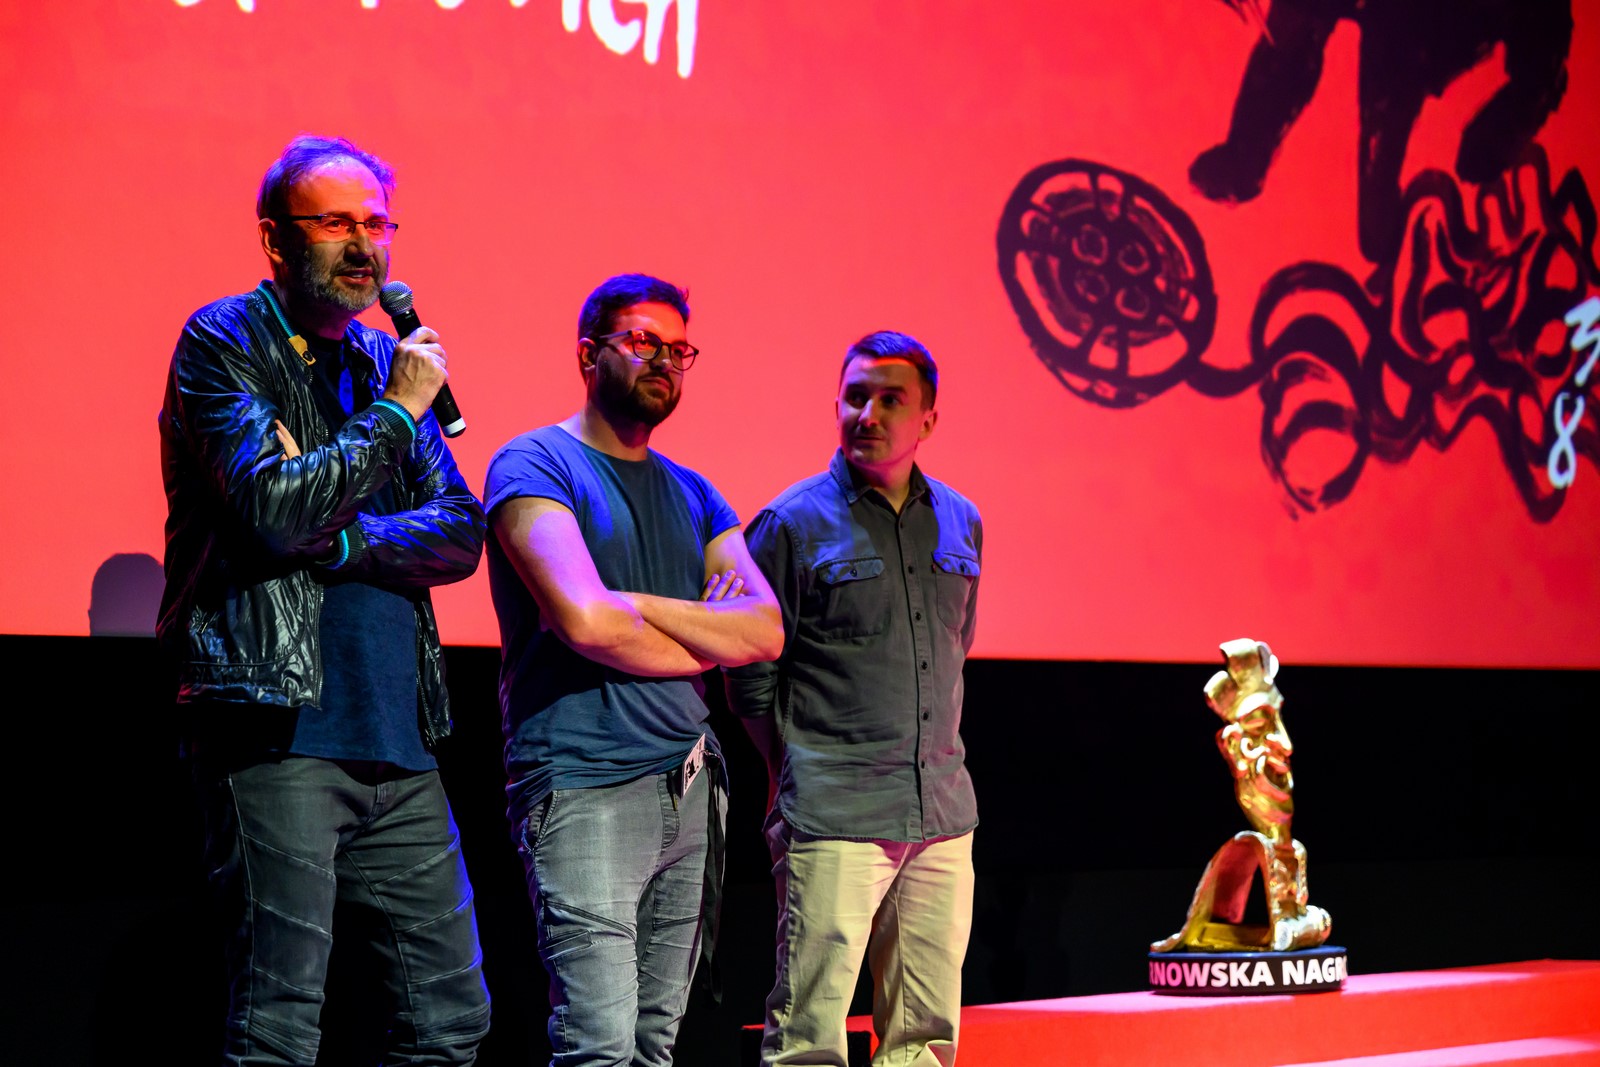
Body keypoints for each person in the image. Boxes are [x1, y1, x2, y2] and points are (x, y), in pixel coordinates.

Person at [157, 135, 491, 1066]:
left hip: (398, 741)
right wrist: (394, 414)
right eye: (336, 222)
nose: (363, 244)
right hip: (276, 731)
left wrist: (343, 539)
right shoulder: (225, 341)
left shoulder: (384, 359)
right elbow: (273, 511)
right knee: (279, 1025)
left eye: (376, 223)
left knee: (450, 1022)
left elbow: (460, 530)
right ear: (276, 238)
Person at [483, 273, 783, 1066]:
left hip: (687, 785)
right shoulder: (535, 463)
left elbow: (763, 630)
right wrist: (707, 633)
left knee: (654, 1043)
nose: (665, 362)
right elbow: (584, 622)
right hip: (584, 783)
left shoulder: (696, 492)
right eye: (644, 342)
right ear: (590, 354)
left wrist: (637, 604)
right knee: (600, 1043)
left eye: (680, 350)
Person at [726, 330, 983, 1067]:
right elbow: (749, 673)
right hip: (834, 813)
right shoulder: (790, 523)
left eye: (891, 399)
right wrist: (791, 766)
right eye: (855, 397)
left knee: (924, 1036)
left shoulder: (961, 518)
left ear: (927, 418)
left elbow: (956, 648)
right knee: (809, 1036)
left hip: (941, 813)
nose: (868, 414)